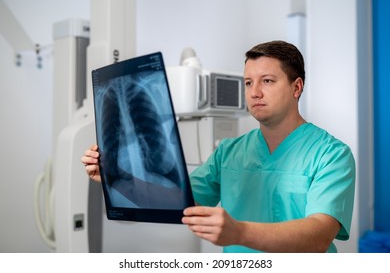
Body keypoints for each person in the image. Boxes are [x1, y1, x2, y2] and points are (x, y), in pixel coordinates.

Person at [81, 40, 355, 253]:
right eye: (248, 82)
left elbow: (319, 235)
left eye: (267, 81)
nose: (254, 92)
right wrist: (115, 177)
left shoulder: (331, 155)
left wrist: (240, 233)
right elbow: (179, 204)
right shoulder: (229, 152)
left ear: (297, 88)